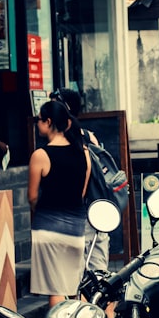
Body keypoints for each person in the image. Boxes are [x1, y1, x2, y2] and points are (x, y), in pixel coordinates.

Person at [28, 99, 92, 307]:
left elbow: (32, 196)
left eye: (39, 120)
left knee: (55, 288)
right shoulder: (84, 153)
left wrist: (41, 212)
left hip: (47, 227)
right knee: (74, 286)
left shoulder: (40, 155)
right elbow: (81, 192)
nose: (37, 124)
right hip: (75, 227)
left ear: (48, 122)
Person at [51, 87, 109, 273]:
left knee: (75, 276)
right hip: (97, 210)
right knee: (98, 272)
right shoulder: (88, 135)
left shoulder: (63, 140)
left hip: (77, 213)